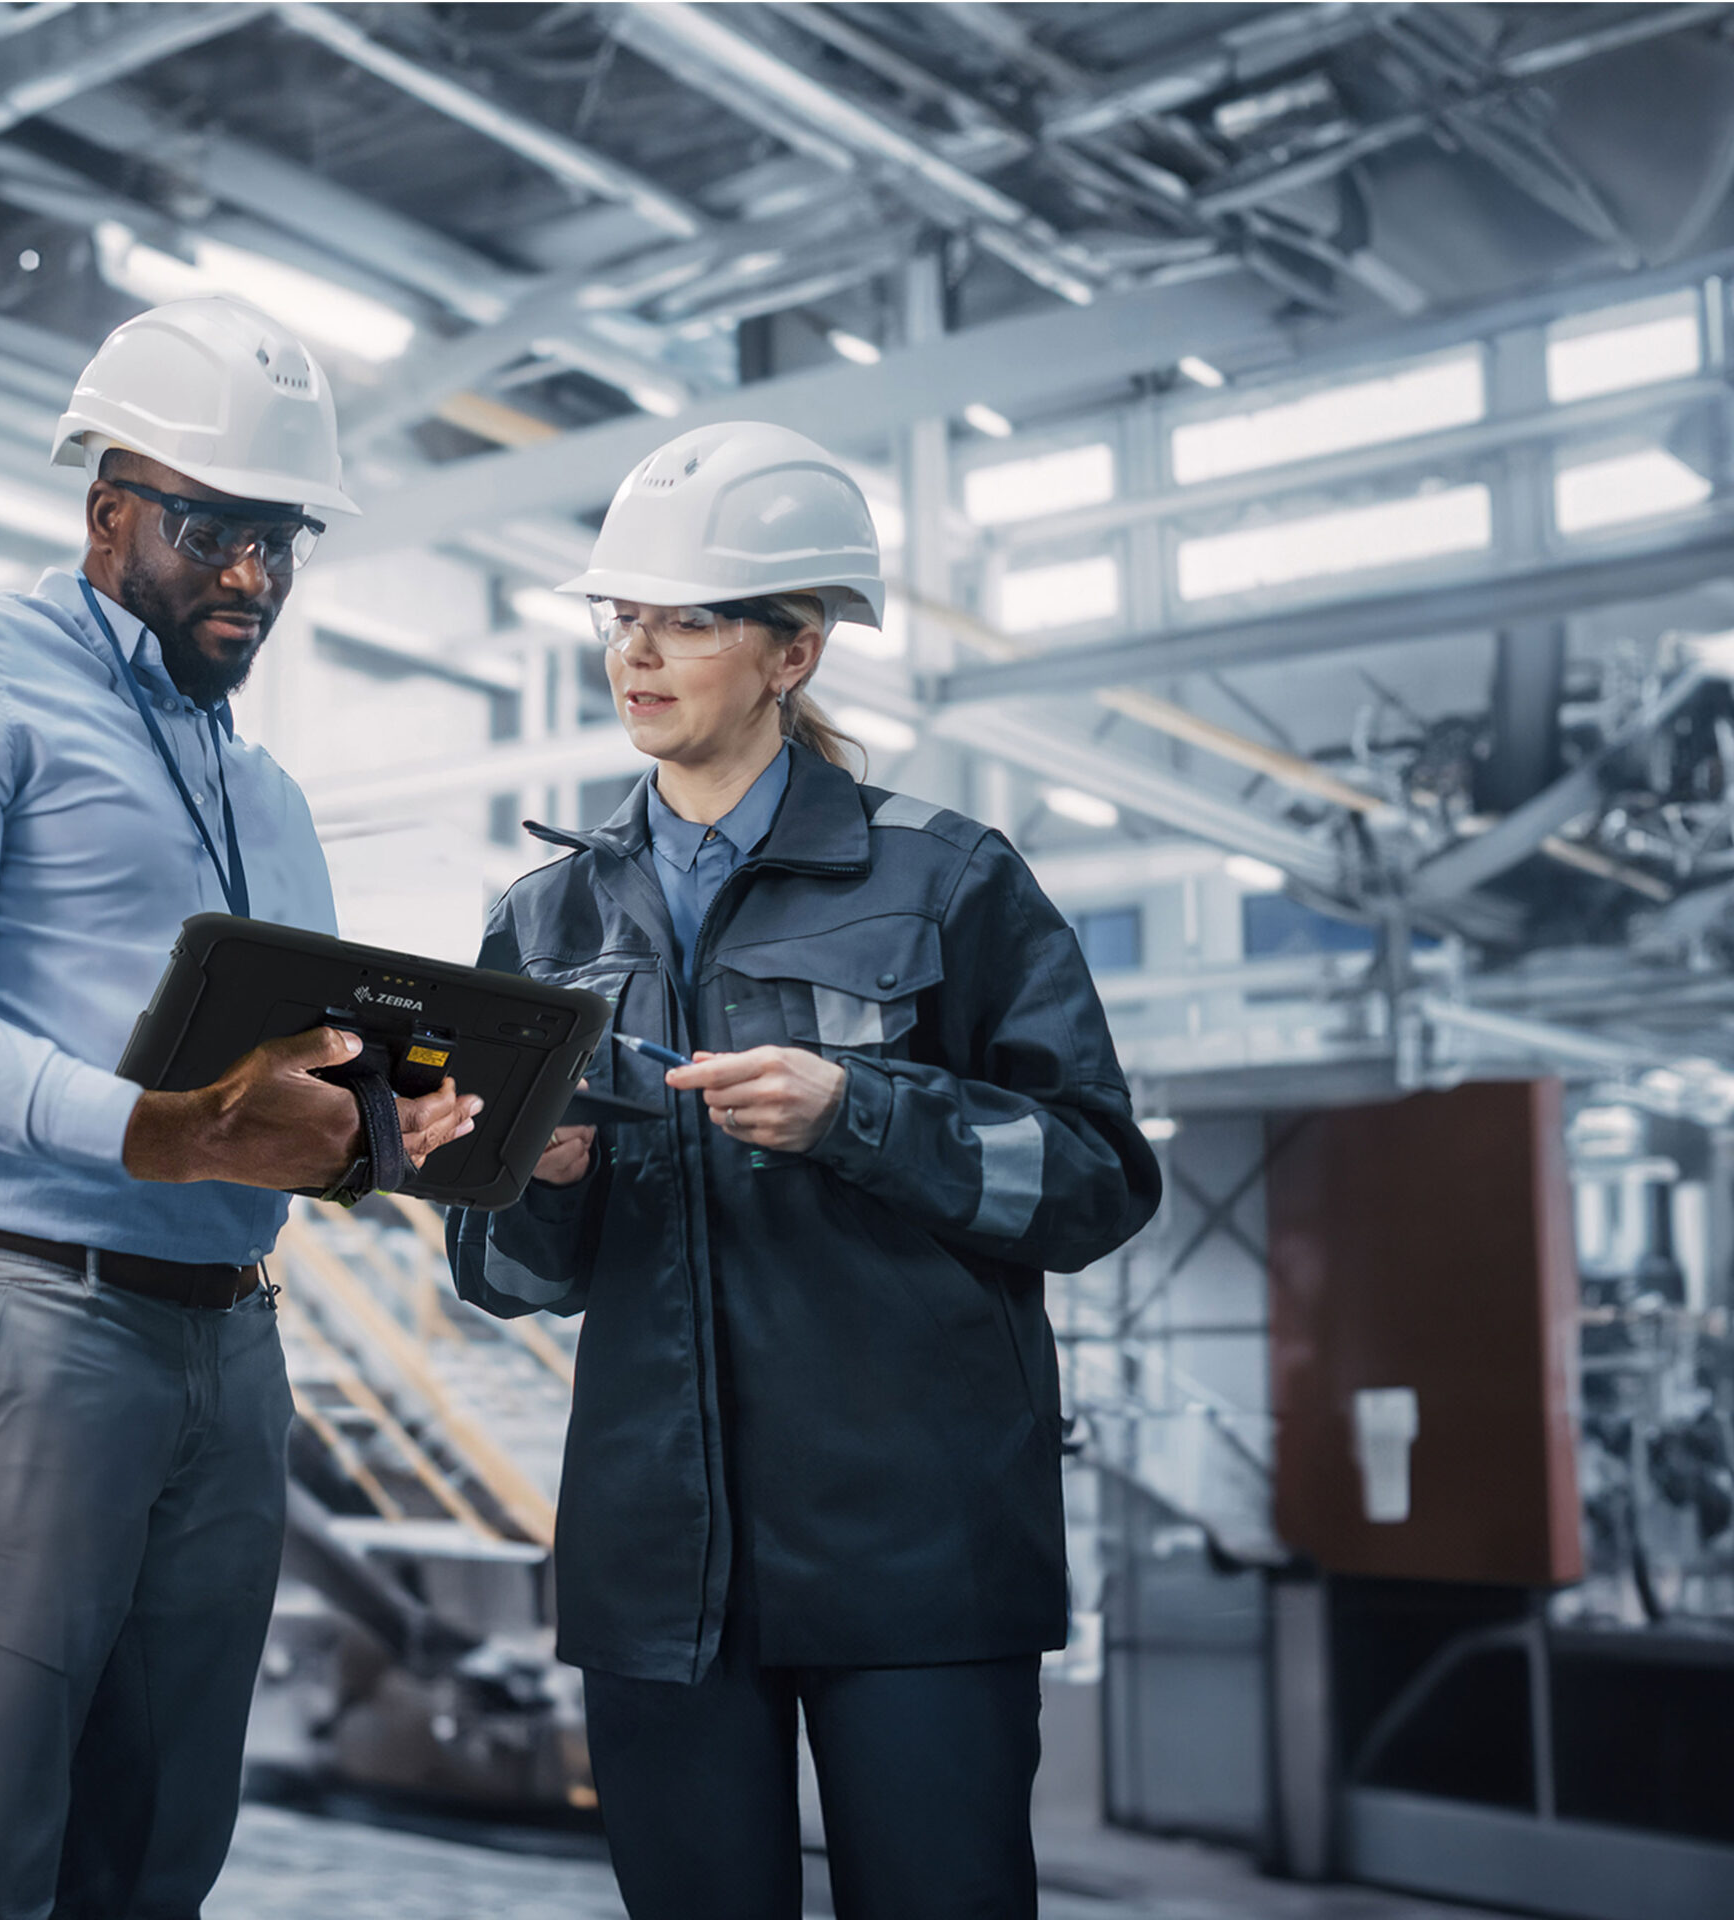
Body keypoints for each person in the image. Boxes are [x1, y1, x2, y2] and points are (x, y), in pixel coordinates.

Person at [0, 295, 478, 1920]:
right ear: (108, 506)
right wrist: (162, 1128)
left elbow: (302, 1068)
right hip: (6, 1312)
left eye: (281, 539)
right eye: (212, 530)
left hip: (226, 1339)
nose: (252, 576)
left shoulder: (263, 788)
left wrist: (427, 1123)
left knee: (160, 1851)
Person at [447, 421, 1162, 1920]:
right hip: (658, 1571)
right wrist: (546, 1176)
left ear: (795, 653)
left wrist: (863, 1114)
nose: (635, 653)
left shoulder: (951, 879)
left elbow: (1098, 1181)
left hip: (918, 1562)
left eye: (687, 619)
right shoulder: (541, 925)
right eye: (620, 616)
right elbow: (503, 1277)